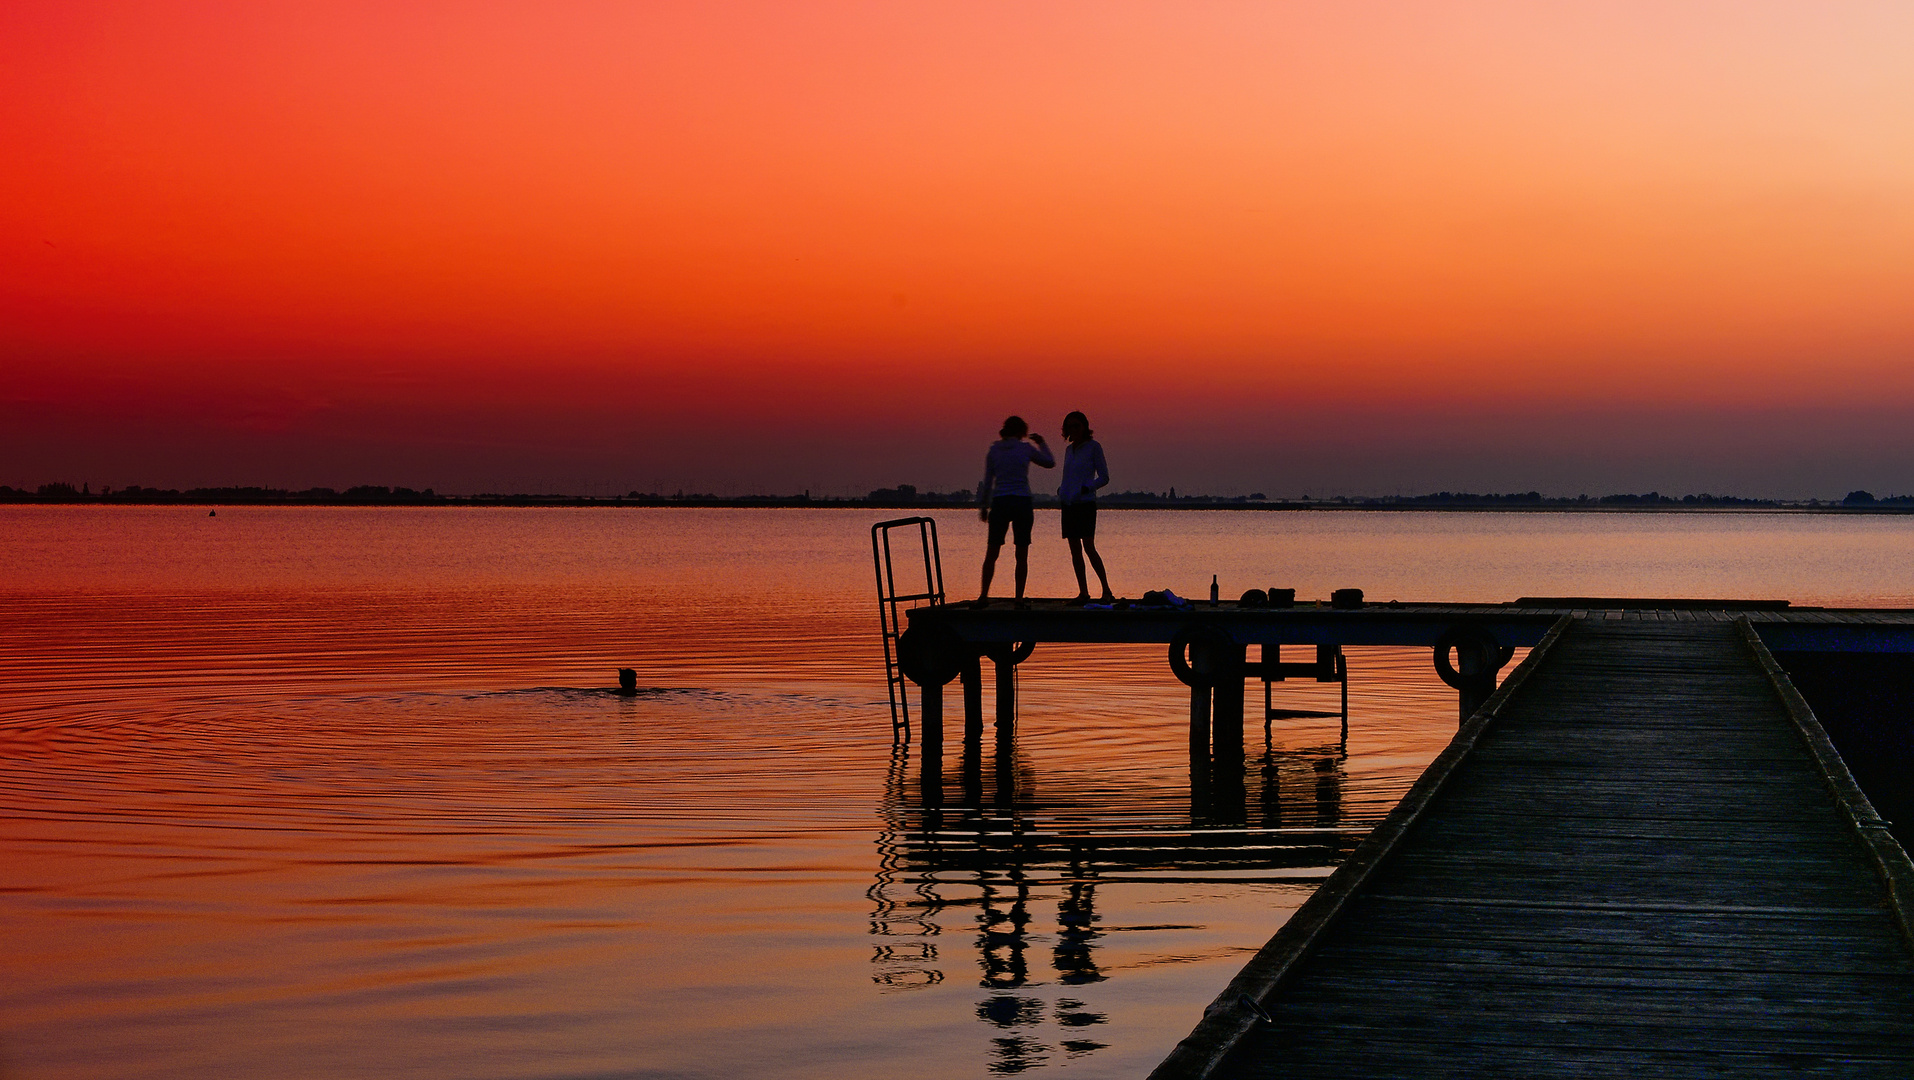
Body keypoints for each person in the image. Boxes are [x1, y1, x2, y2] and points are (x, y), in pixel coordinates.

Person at [975, 415, 1054, 607]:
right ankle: (1018, 598)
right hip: (1021, 502)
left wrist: (984, 506)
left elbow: (987, 482)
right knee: (1021, 552)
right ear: (1021, 432)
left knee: (992, 552)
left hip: (1000, 502)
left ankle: (984, 595)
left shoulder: (994, 451)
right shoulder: (1025, 449)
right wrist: (1042, 443)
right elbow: (1049, 462)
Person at [1058, 410, 1113, 603]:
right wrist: (1062, 490)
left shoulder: (1093, 447)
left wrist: (1086, 488)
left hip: (1086, 504)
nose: (1073, 429)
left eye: (1076, 425)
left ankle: (1106, 590)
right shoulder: (1068, 451)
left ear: (1084, 427)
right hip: (1069, 504)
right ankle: (1083, 592)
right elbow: (1068, 476)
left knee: (1089, 547)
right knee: (1074, 550)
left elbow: (1104, 477)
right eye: (1069, 426)